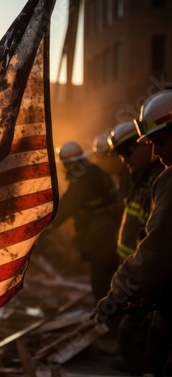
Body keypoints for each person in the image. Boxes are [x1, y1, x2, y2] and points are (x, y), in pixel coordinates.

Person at [94, 88, 172, 376]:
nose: (155, 150)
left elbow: (156, 250)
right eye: (150, 142)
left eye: (160, 140)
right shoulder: (141, 179)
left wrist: (119, 293)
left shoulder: (168, 180)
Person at [106, 120, 164, 375]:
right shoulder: (139, 179)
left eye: (127, 152)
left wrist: (133, 280)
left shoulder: (159, 180)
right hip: (136, 273)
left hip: (148, 280)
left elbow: (155, 242)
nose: (124, 160)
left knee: (135, 337)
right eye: (120, 155)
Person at [47, 141, 119, 302]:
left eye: (65, 165)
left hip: (100, 240)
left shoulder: (80, 182)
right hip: (113, 236)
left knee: (102, 287)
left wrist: (38, 234)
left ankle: (111, 322)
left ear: (71, 164)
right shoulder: (97, 172)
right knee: (114, 283)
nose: (65, 169)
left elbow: (62, 211)